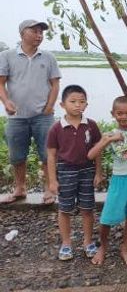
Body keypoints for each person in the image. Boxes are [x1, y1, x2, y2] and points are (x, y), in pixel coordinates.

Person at [0, 20, 61, 204]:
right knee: (17, 155)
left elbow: (55, 84)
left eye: (41, 32)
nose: (39, 35)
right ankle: (20, 188)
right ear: (22, 34)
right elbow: (1, 83)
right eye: (34, 31)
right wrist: (6, 101)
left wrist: (49, 107)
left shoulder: (48, 57)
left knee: (47, 153)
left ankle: (49, 190)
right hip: (17, 116)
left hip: (43, 116)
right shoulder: (7, 56)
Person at [46, 85, 103, 261]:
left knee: (87, 208)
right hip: (65, 171)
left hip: (87, 170)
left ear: (86, 104)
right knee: (65, 209)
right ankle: (66, 243)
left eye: (82, 102)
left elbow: (98, 149)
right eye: (73, 101)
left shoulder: (91, 125)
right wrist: (53, 180)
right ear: (62, 104)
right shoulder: (56, 128)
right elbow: (51, 155)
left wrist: (98, 173)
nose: (77, 105)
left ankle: (87, 242)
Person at [89, 96, 127, 265]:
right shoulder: (110, 134)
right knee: (107, 217)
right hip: (119, 180)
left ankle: (125, 248)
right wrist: (108, 140)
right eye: (120, 113)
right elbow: (91, 154)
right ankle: (103, 248)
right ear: (113, 114)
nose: (124, 117)